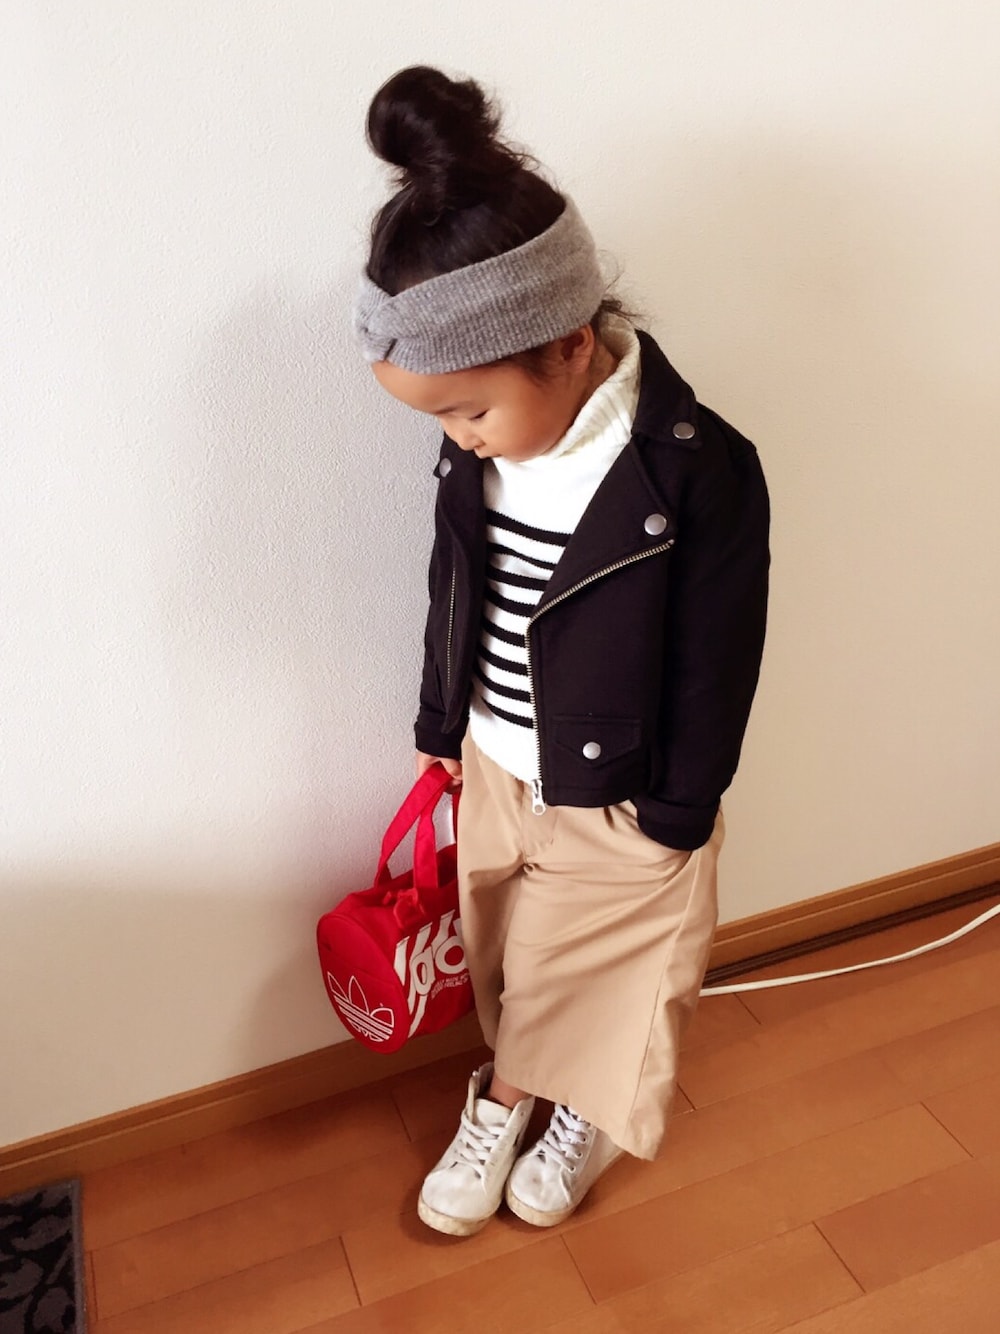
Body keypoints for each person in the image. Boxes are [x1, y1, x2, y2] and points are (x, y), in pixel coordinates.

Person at [353, 65, 770, 1237]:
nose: (458, 439)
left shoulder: (696, 470)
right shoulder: (480, 455)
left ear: (570, 345)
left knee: (604, 967)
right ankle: (522, 1081)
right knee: (508, 956)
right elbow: (456, 587)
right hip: (499, 758)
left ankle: (543, 1104)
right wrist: (442, 725)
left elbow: (717, 654)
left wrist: (681, 804)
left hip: (622, 785)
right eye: (439, 419)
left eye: (467, 411)